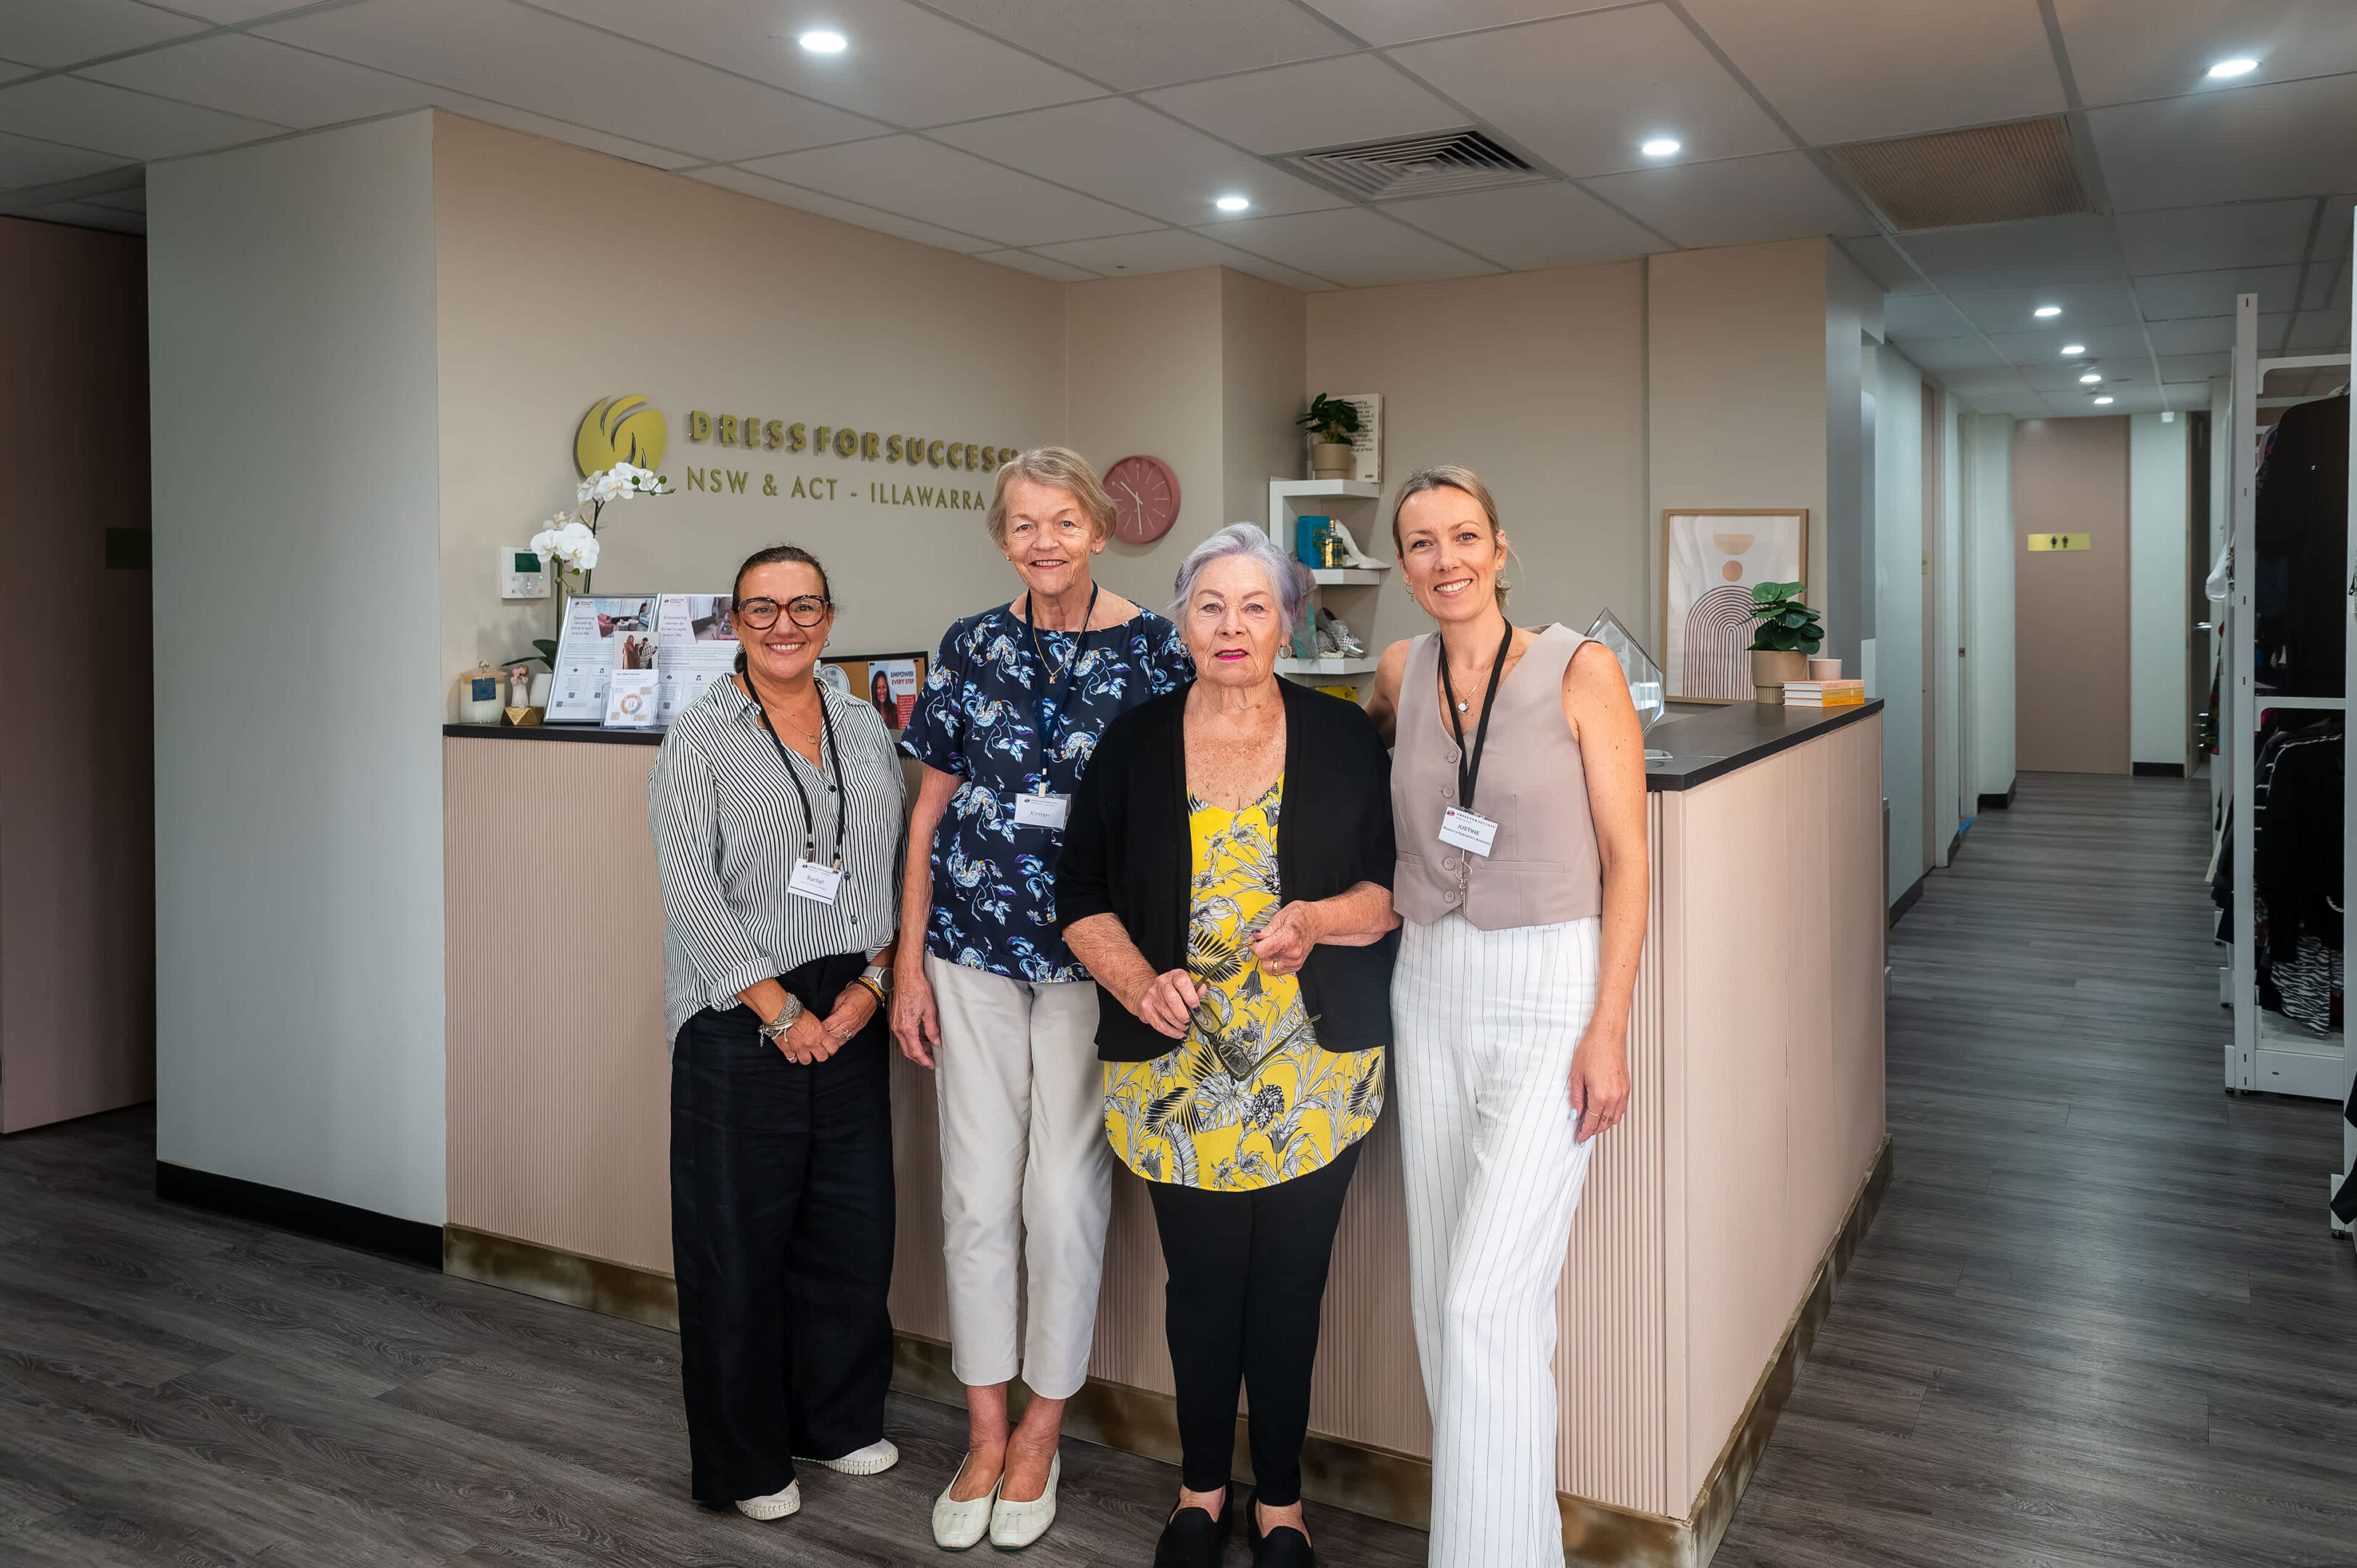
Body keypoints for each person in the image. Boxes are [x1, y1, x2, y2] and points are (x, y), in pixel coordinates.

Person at [1059, 523, 1399, 1568]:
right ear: (1182, 623)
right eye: (1210, 605)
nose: (1232, 626)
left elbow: (1388, 896)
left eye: (1255, 606)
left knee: (1292, 1289)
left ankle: (1282, 1504)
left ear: (1288, 622)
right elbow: (1080, 898)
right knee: (1201, 1289)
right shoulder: (1134, 742)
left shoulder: (1341, 737)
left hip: (1314, 1067)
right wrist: (1138, 981)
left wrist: (1314, 922)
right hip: (1178, 1074)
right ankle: (1200, 1491)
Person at [892, 446, 1193, 1551]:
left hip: (1091, 963)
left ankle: (1041, 1431)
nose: (1043, 542)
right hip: (969, 954)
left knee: (1061, 1201)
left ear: (1099, 531)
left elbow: (1186, 809)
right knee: (975, 1197)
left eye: (1063, 522)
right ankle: (983, 1430)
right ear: (1002, 538)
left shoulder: (1157, 650)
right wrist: (906, 963)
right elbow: (928, 814)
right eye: (1022, 524)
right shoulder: (971, 644)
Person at [1363, 467, 1647, 1568]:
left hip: (1547, 988)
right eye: (1422, 544)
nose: (1446, 560)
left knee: (1485, 1301)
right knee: (1449, 1297)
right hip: (1428, 983)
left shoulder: (1579, 669)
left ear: (1500, 547)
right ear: (1403, 566)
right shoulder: (1399, 671)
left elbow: (1628, 860)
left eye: (1465, 536)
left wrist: (1608, 1029)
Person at [649, 544, 909, 1524]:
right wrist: (780, 1011)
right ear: (734, 622)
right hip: (739, 1014)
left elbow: (888, 865)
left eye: (804, 606)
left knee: (850, 1230)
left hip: (854, 1001)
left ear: (829, 618)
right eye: (762, 608)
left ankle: (835, 1420)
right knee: (737, 1247)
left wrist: (874, 983)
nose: (784, 625)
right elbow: (690, 894)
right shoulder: (700, 735)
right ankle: (746, 1458)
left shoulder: (863, 723)